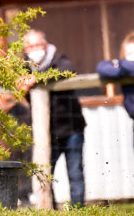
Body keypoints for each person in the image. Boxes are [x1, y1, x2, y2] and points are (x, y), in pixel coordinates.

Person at [21, 29, 85, 207]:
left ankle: (79, 210)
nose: (35, 49)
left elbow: (67, 71)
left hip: (72, 128)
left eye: (38, 45)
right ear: (25, 50)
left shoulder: (60, 59)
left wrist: (37, 79)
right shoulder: (24, 68)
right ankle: (50, 209)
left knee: (75, 174)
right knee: (45, 174)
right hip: (46, 133)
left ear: (46, 45)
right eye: (30, 46)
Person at [96, 31, 134, 122]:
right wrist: (122, 69)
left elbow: (131, 67)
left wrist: (122, 66)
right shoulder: (123, 66)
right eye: (129, 54)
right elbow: (101, 67)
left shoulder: (123, 65)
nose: (132, 57)